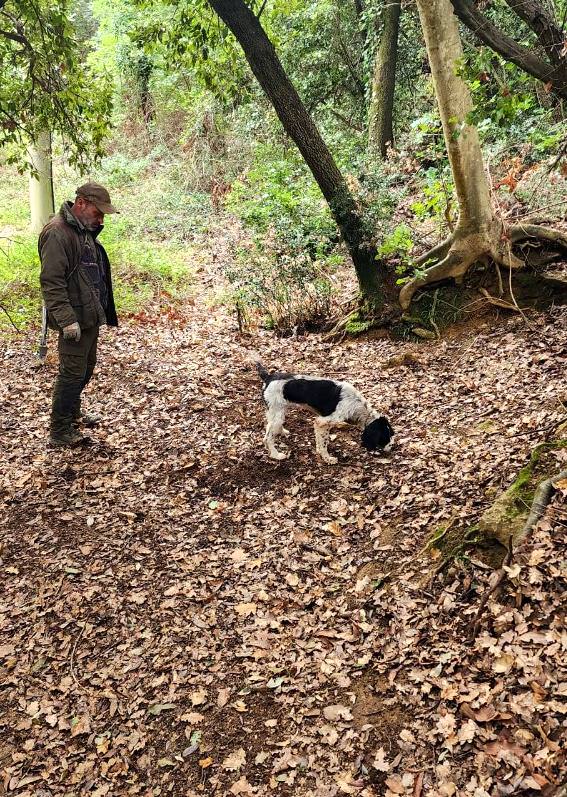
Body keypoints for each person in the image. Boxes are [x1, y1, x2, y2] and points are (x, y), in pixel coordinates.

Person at [39, 182, 119, 448]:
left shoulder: (82, 229)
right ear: (81, 203)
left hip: (89, 314)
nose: (101, 218)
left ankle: (73, 412)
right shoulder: (57, 233)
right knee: (72, 374)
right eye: (98, 212)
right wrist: (66, 320)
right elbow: (52, 281)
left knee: (86, 368)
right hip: (73, 317)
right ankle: (59, 430)